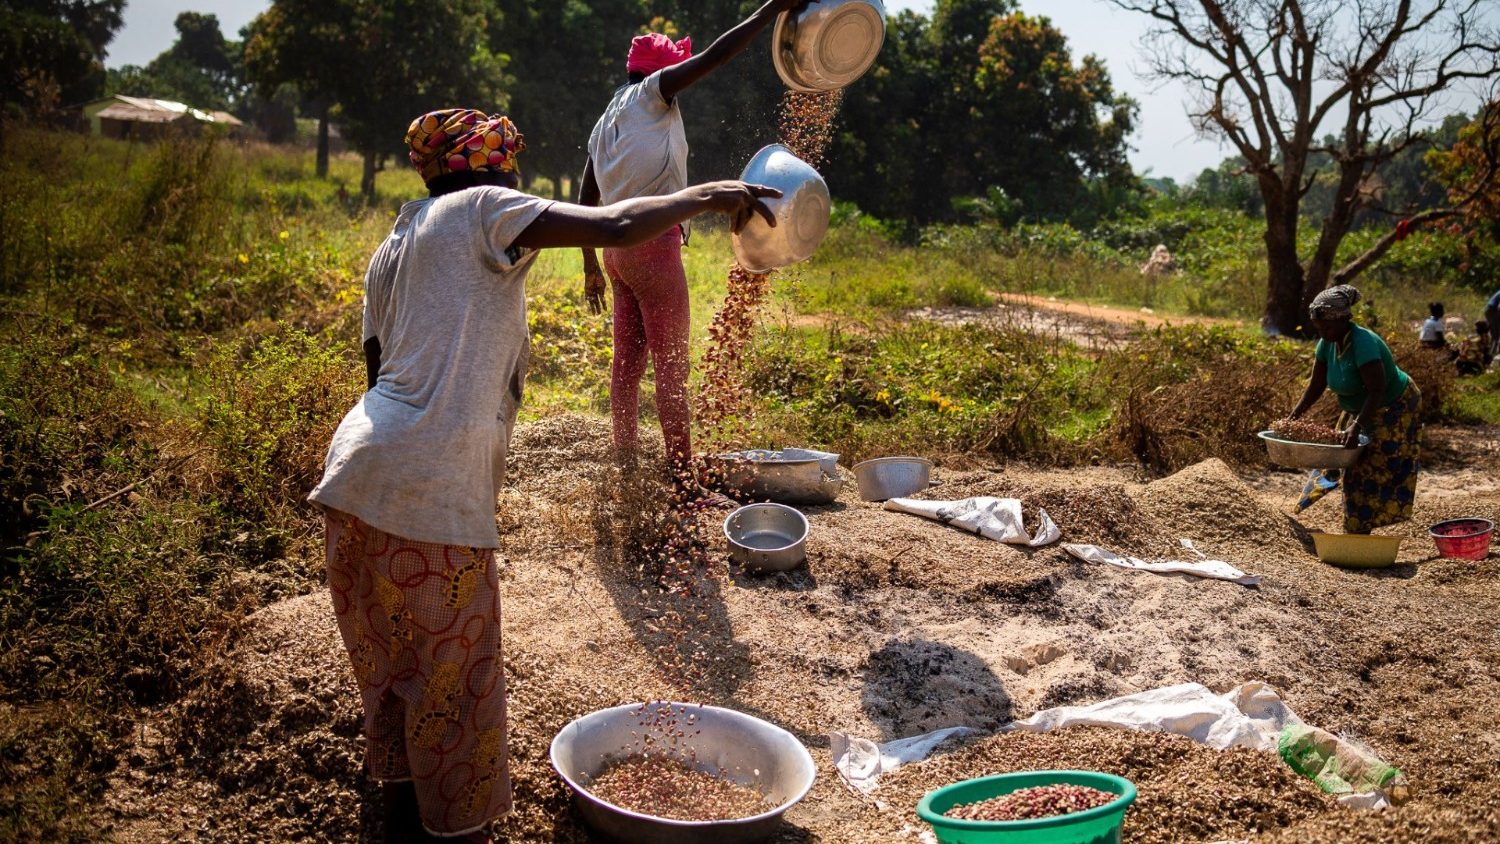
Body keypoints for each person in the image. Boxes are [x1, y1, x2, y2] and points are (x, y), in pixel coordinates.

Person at [308, 108, 778, 843]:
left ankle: (399, 822)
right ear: (491, 170)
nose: (519, 187)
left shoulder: (397, 239)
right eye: (513, 173)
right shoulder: (484, 207)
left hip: (353, 479)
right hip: (429, 500)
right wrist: (709, 195)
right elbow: (618, 224)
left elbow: (377, 370)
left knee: (395, 678)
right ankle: (454, 832)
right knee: (455, 691)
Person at [578, 0, 815, 487]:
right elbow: (715, 56)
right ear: (664, 73)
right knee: (670, 369)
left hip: (616, 251)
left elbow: (587, 190)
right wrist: (770, 10)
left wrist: (589, 264)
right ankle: (684, 481)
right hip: (654, 246)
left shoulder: (609, 115)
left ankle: (625, 462)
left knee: (627, 366)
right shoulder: (652, 93)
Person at [1286, 285, 1422, 535]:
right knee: (1336, 459)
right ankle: (1312, 510)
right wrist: (1294, 416)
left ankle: (1359, 528)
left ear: (1343, 320)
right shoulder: (1328, 343)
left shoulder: (1363, 343)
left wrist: (1357, 425)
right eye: (1319, 328)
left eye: (1327, 326)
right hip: (1359, 406)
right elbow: (1317, 385)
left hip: (1393, 405)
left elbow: (1377, 389)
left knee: (1366, 465)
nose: (1323, 332)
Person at [1486, 289, 1500, 359]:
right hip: (1493, 311)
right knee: (1496, 336)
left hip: (1491, 310)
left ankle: (1490, 352)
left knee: (1494, 334)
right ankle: (1490, 356)